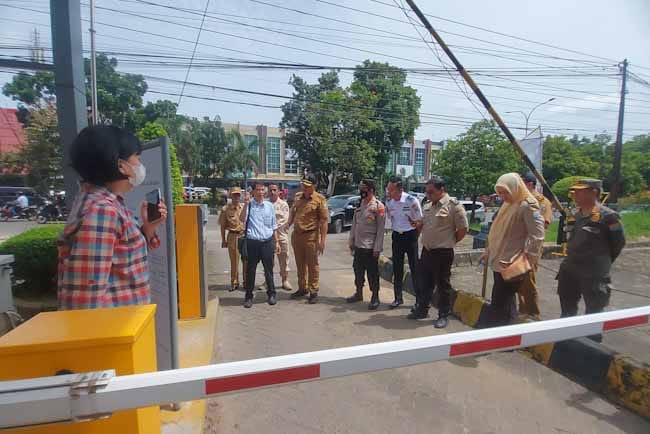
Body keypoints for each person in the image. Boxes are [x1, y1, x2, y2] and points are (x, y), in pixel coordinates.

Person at [57, 125, 167, 310]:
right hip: (116, 329)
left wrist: (147, 229)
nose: (140, 167)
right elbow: (85, 302)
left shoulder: (103, 203)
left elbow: (119, 257)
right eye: (137, 160)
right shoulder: (102, 211)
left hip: (123, 325)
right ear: (120, 165)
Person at [481, 173, 545, 327]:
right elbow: (497, 232)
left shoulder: (528, 205)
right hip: (499, 259)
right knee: (502, 300)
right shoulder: (509, 204)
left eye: (505, 192)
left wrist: (529, 258)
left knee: (503, 300)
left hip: (512, 262)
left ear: (515, 188)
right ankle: (504, 333)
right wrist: (488, 251)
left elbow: (538, 235)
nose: (502, 196)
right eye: (500, 193)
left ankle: (505, 334)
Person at [557, 178, 625, 322]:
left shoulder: (609, 217)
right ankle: (566, 341)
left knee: (594, 314)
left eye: (579, 191)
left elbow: (618, 243)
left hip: (594, 274)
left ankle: (592, 341)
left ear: (594, 192)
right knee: (567, 312)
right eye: (574, 191)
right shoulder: (574, 214)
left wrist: (601, 262)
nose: (574, 194)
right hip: (570, 270)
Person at [410, 176, 468, 328]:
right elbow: (424, 225)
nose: (428, 195)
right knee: (425, 283)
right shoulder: (428, 205)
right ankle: (423, 309)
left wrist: (450, 241)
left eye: (431, 192)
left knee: (443, 285)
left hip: (443, 252)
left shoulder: (454, 206)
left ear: (441, 190)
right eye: (427, 192)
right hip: (427, 251)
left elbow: (463, 229)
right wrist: (417, 225)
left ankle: (443, 315)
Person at [284, 174, 329, 304]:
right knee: (300, 264)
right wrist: (288, 223)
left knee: (312, 264)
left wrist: (322, 241)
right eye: (303, 185)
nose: (304, 187)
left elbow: (324, 221)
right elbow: (293, 212)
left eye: (307, 186)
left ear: (313, 186)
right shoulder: (298, 196)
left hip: (311, 236)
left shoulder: (319, 199)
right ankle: (302, 288)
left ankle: (313, 290)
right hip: (297, 236)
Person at [239, 181, 282, 308]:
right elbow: (241, 219)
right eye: (258, 190)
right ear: (253, 192)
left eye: (263, 189)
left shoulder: (269, 206)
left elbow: (273, 226)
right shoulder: (249, 205)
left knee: (269, 270)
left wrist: (277, 242)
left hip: (267, 242)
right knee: (250, 270)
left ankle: (272, 294)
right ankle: (248, 296)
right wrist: (246, 205)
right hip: (253, 243)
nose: (261, 192)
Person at [517, 172, 554, 319]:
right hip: (517, 245)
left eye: (522, 182)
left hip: (531, 246)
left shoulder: (542, 202)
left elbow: (542, 226)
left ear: (530, 184)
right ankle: (522, 310)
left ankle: (533, 313)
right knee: (518, 279)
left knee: (528, 279)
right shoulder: (519, 199)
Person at [347, 179, 386, 310]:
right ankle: (358, 293)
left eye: (364, 189)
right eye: (361, 188)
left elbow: (381, 229)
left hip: (370, 247)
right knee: (358, 271)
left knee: (372, 274)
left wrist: (377, 248)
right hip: (358, 245)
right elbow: (354, 224)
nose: (362, 191)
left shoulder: (379, 206)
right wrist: (351, 240)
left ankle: (375, 297)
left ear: (371, 190)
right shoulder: (360, 204)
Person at [385, 176, 422, 308]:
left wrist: (415, 236)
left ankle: (419, 300)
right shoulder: (389, 202)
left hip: (410, 236)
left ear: (399, 189)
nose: (388, 192)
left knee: (415, 268)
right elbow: (390, 220)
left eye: (391, 190)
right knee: (397, 268)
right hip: (397, 237)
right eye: (388, 189)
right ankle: (398, 298)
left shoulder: (411, 201)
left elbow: (419, 221)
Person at [219, 187, 246, 292]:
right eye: (234, 195)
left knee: (246, 260)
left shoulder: (244, 207)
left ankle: (246, 282)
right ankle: (234, 282)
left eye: (238, 195)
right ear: (230, 196)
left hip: (244, 236)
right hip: (233, 236)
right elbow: (222, 226)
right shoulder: (225, 209)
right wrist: (223, 240)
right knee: (234, 261)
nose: (237, 197)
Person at [268, 183, 293, 291]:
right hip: (268, 236)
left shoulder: (283, 205)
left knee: (284, 259)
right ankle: (267, 280)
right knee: (268, 260)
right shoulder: (265, 204)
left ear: (278, 192)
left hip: (281, 234)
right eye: (270, 190)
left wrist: (276, 230)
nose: (272, 192)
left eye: (274, 190)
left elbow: (286, 221)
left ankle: (284, 280)